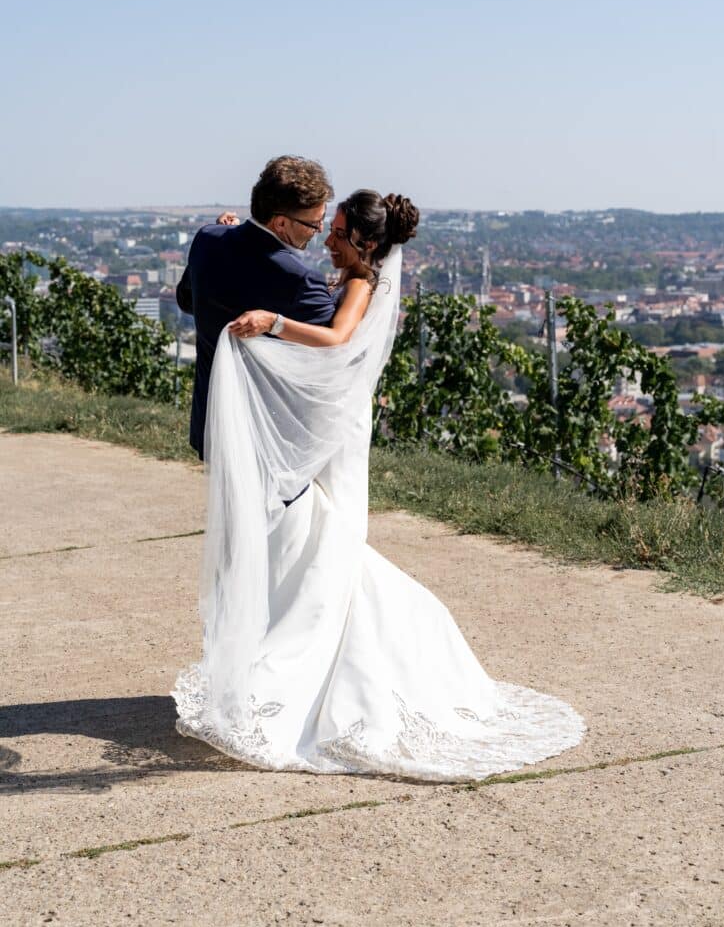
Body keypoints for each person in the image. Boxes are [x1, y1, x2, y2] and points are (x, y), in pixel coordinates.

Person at [172, 189, 585, 781]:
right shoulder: (352, 273)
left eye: (336, 231)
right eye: (325, 226)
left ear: (364, 243)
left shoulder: (363, 283)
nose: (327, 239)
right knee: (318, 534)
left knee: (324, 532)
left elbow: (338, 338)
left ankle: (310, 650)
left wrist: (272, 322)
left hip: (336, 425)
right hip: (332, 414)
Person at [176, 155, 336, 462]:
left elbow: (186, 301)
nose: (318, 230)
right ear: (280, 222)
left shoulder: (207, 239)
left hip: (212, 419)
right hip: (271, 434)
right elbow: (337, 345)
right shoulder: (300, 279)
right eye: (314, 222)